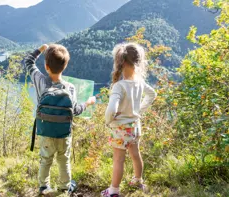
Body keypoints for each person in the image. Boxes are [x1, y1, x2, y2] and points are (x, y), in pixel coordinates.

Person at [24, 44, 96, 195]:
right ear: (65, 66)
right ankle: (64, 187)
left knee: (46, 159)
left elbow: (28, 62)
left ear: (46, 66)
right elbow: (75, 111)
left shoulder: (40, 81)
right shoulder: (70, 88)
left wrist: (41, 49)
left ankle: (44, 187)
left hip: (46, 132)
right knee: (64, 159)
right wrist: (88, 103)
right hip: (64, 133)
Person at [101, 43, 157, 197]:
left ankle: (113, 191)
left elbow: (111, 109)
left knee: (118, 160)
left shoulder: (119, 86)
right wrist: (139, 111)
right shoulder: (139, 83)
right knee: (135, 154)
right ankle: (138, 180)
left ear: (121, 62)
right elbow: (152, 94)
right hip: (135, 126)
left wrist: (108, 121)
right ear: (137, 62)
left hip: (120, 128)